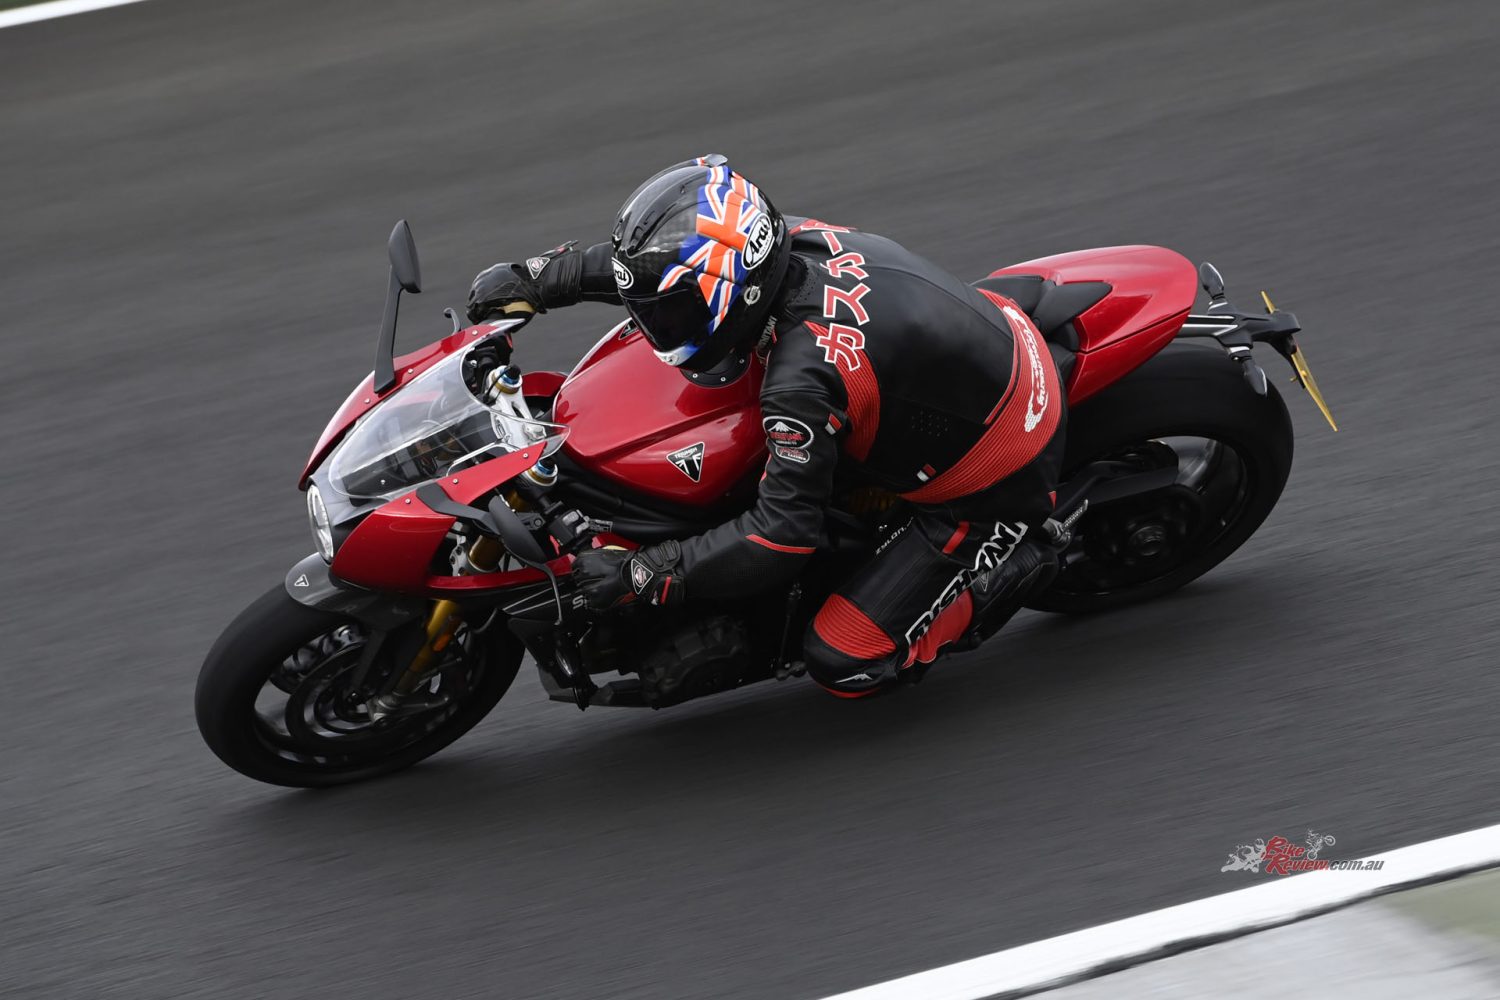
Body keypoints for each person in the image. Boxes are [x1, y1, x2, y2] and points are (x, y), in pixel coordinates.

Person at [466, 155, 1064, 697]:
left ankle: (1021, 558)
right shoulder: (780, 243)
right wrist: (538, 279)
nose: (655, 326)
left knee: (845, 660)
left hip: (998, 461)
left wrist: (642, 572)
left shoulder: (800, 381)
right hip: (962, 358)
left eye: (672, 313)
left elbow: (780, 538)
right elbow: (652, 269)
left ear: (739, 294)